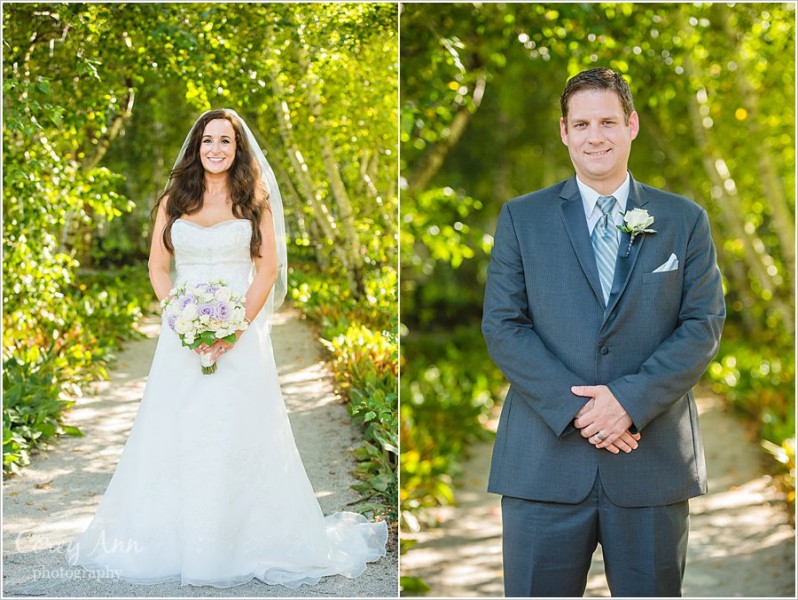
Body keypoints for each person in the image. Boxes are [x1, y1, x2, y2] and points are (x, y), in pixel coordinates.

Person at [67, 108, 388, 588]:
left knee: (241, 429)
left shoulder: (253, 201)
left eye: (226, 142)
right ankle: (174, 538)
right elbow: (158, 267)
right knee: (176, 427)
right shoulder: (175, 200)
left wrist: (235, 328)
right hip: (182, 334)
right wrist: (178, 314)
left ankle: (242, 537)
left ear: (238, 151)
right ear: (197, 147)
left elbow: (266, 270)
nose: (216, 149)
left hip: (241, 333)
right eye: (208, 141)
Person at [481, 68, 725, 597]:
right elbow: (504, 325)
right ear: (564, 132)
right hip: (543, 464)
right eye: (583, 123)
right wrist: (584, 410)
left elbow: (701, 325)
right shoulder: (522, 218)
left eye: (608, 121)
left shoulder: (685, 220)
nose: (596, 136)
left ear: (631, 125)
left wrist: (628, 401)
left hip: (651, 461)